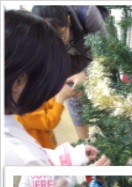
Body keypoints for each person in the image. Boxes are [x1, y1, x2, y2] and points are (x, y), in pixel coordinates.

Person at [4, 9, 109, 167]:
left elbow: (41, 154)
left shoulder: (10, 120)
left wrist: (72, 156)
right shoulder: (21, 157)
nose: (47, 96)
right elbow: (45, 179)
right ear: (19, 82)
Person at [31, 5, 108, 139]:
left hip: (97, 61)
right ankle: (84, 144)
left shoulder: (87, 13)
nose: (58, 44)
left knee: (108, 100)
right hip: (71, 70)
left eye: (60, 35)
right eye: (51, 40)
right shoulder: (37, 33)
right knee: (74, 98)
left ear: (68, 20)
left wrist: (86, 74)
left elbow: (109, 53)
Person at [15, 81, 75, 149]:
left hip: (48, 143)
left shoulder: (27, 100)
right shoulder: (21, 114)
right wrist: (60, 99)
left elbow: (45, 106)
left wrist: (57, 97)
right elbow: (49, 121)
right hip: (41, 150)